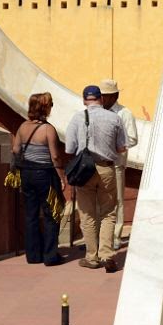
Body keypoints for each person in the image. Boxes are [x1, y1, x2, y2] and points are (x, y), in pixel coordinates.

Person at [64, 85, 128, 272]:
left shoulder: (77, 118)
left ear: (85, 100)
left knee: (87, 214)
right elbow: (122, 147)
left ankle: (92, 257)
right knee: (108, 213)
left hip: (84, 171)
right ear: (100, 98)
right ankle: (107, 254)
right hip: (107, 168)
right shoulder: (114, 118)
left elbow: (69, 148)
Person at [11, 92, 68, 266]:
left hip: (27, 174)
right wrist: (62, 177)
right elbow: (55, 157)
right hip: (45, 174)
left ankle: (33, 255)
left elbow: (15, 150)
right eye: (50, 104)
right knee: (52, 214)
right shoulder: (48, 129)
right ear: (44, 107)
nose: (51, 107)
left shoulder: (22, 127)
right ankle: (50, 255)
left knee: (31, 214)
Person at [100, 78, 139, 246]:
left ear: (115, 96)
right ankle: (100, 237)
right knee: (99, 201)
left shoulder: (125, 113)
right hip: (99, 164)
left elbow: (132, 138)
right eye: (101, 95)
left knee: (117, 201)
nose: (103, 98)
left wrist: (115, 146)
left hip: (116, 163)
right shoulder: (97, 112)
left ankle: (115, 237)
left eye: (106, 95)